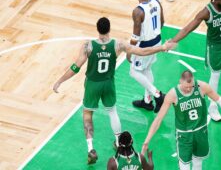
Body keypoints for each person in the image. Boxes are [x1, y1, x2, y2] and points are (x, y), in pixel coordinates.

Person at [53, 17, 174, 165]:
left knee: (87, 115)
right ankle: (118, 141)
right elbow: (142, 51)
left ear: (98, 29)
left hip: (92, 84)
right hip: (108, 83)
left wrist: (60, 81)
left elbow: (75, 68)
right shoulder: (118, 45)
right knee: (112, 112)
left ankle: (91, 148)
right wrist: (161, 48)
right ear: (109, 29)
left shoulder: (88, 46)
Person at [142, 70, 221, 170]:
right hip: (184, 135)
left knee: (198, 163)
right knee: (184, 165)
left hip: (201, 132)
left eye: (191, 87)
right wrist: (147, 141)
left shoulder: (201, 86)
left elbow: (219, 100)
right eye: (186, 87)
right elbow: (158, 120)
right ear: (180, 81)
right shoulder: (172, 94)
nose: (188, 89)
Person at [128, 0, 166, 113]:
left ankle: (158, 95)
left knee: (133, 72)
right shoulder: (156, 1)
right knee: (147, 70)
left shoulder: (138, 11)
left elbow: (135, 36)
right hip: (157, 41)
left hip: (144, 46)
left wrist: (129, 50)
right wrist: (154, 35)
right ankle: (147, 101)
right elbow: (162, 21)